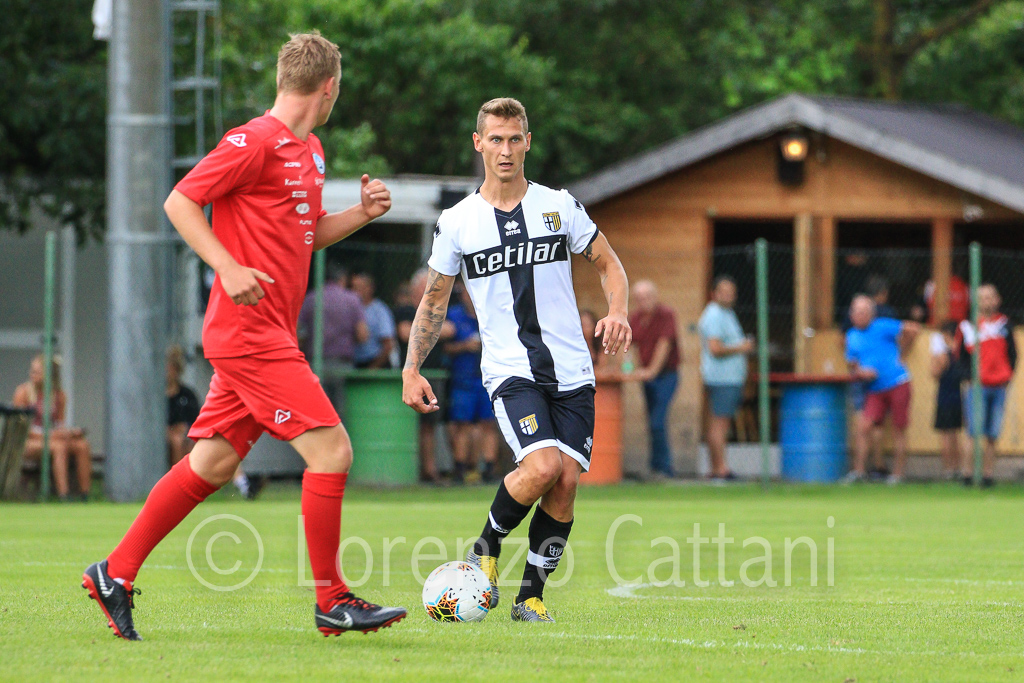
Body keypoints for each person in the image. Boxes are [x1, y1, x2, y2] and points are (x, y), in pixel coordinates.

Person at [81, 32, 405, 641]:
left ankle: (114, 572)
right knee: (332, 452)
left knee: (212, 464)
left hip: (265, 332)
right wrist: (226, 267)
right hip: (249, 334)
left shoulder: (311, 151)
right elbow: (181, 202)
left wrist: (361, 214)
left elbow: (304, 236)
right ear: (329, 87)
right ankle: (333, 600)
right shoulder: (252, 141)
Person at [402, 97, 631, 623]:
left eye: (513, 139)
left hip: (572, 371)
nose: (505, 150)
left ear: (527, 143)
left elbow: (609, 264)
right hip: (510, 370)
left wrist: (618, 311)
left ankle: (530, 598)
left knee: (566, 482)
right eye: (495, 139)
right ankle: (484, 552)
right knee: (542, 467)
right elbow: (434, 301)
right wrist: (412, 368)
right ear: (478, 144)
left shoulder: (559, 206)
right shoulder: (458, 222)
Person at [844, 295, 921, 484]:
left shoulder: (882, 326)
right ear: (851, 314)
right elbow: (852, 363)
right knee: (863, 427)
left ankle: (898, 474)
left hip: (898, 383)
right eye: (856, 311)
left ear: (871, 314)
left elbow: (913, 329)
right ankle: (859, 472)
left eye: (864, 311)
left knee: (898, 429)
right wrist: (861, 372)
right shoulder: (851, 336)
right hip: (874, 388)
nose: (860, 315)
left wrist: (903, 353)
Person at [395, 268, 455, 483]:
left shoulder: (438, 309)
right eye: (426, 285)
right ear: (415, 289)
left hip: (434, 375)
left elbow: (451, 330)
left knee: (431, 424)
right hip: (413, 375)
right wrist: (433, 329)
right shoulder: (405, 310)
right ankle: (422, 471)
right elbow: (404, 333)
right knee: (415, 426)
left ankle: (431, 470)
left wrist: (423, 329)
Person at [12, 354, 92, 501]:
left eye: (37, 372)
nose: (32, 375)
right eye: (32, 371)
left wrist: (69, 433)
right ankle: (63, 495)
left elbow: (59, 425)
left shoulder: (59, 395)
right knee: (59, 446)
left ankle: (84, 494)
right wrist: (52, 435)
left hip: (52, 438)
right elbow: (21, 430)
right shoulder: (23, 393)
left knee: (82, 445)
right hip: (28, 442)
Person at [959, 283, 1016, 487]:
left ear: (998, 300)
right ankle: (967, 474)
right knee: (973, 432)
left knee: (992, 433)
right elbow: (962, 358)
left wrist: (1008, 377)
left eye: (990, 297)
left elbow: (1012, 354)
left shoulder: (1004, 325)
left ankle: (988, 474)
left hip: (999, 385)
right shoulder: (968, 326)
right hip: (977, 386)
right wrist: (968, 378)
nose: (987, 301)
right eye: (982, 297)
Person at [698, 276, 752, 481]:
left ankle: (717, 468)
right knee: (719, 424)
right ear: (714, 293)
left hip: (729, 378)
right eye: (724, 291)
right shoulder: (714, 315)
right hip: (722, 379)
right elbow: (715, 348)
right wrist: (742, 347)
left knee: (720, 423)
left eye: (731, 292)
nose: (728, 296)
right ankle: (720, 470)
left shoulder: (727, 313)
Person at [444, 280, 499, 484]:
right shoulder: (453, 316)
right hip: (463, 379)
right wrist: (464, 346)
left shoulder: (491, 313)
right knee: (462, 425)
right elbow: (445, 349)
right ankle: (460, 469)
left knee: (489, 424)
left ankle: (490, 469)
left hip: (488, 378)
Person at [298, 262, 369, 416]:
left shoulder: (311, 298)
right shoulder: (352, 299)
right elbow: (362, 335)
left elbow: (299, 334)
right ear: (343, 279)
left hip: (315, 364)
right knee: (341, 412)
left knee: (316, 411)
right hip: (343, 365)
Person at [628, 280, 681, 479]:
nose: (644, 301)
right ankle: (655, 467)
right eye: (640, 298)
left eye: (647, 297)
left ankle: (664, 468)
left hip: (667, 375)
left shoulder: (666, 315)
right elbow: (629, 345)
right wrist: (629, 369)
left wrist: (651, 371)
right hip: (647, 377)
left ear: (655, 296)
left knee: (657, 421)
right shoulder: (635, 318)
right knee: (652, 422)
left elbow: (664, 345)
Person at [930, 321, 964, 480]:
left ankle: (948, 469)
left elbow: (935, 372)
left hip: (945, 397)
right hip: (958, 397)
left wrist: (934, 358)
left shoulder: (945, 354)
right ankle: (957, 467)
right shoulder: (961, 354)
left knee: (946, 434)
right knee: (955, 434)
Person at [351, 272, 397, 369]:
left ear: (370, 288)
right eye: (353, 287)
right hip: (353, 364)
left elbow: (388, 344)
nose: (355, 292)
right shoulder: (349, 309)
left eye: (359, 287)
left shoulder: (380, 310)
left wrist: (373, 368)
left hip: (375, 364)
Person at [165, 345, 200, 468]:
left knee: (193, 444)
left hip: (185, 435)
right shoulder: (157, 397)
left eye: (173, 368)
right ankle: (177, 475)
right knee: (177, 441)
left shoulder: (187, 394)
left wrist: (184, 428)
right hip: (167, 435)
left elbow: (196, 420)